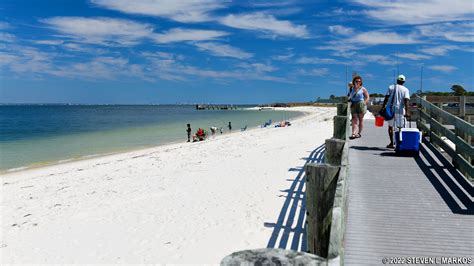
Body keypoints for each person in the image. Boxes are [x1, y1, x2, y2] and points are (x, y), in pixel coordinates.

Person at [381, 74, 410, 149]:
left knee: (390, 127)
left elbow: (386, 98)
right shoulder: (405, 90)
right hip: (400, 110)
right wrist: (407, 112)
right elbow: (406, 101)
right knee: (401, 128)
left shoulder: (391, 87)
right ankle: (400, 143)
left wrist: (383, 107)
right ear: (404, 82)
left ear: (397, 80)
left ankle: (392, 143)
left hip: (390, 110)